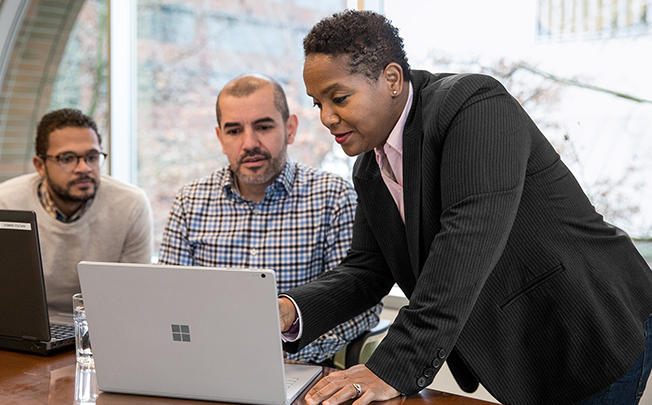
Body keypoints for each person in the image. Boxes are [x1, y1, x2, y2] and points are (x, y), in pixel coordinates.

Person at [277, 10, 652, 405]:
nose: (326, 118)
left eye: (338, 98)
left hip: (588, 323)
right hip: (524, 344)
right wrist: (289, 310)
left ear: (391, 79)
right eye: (317, 104)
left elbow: (464, 244)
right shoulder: (370, 168)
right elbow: (368, 269)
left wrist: (389, 367)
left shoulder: (472, 105)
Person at [158, 74, 382, 365]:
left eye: (263, 127)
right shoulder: (190, 203)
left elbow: (360, 307)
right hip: (207, 364)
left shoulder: (333, 198)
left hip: (299, 369)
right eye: (234, 130)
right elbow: (168, 303)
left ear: (290, 129)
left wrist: (286, 350)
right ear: (220, 139)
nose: (249, 143)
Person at [0, 108, 154, 313]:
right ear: (40, 165)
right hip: (28, 322)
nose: (84, 168)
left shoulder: (130, 204)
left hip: (104, 322)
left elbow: (134, 295)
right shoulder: (4, 203)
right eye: (67, 158)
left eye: (92, 157)